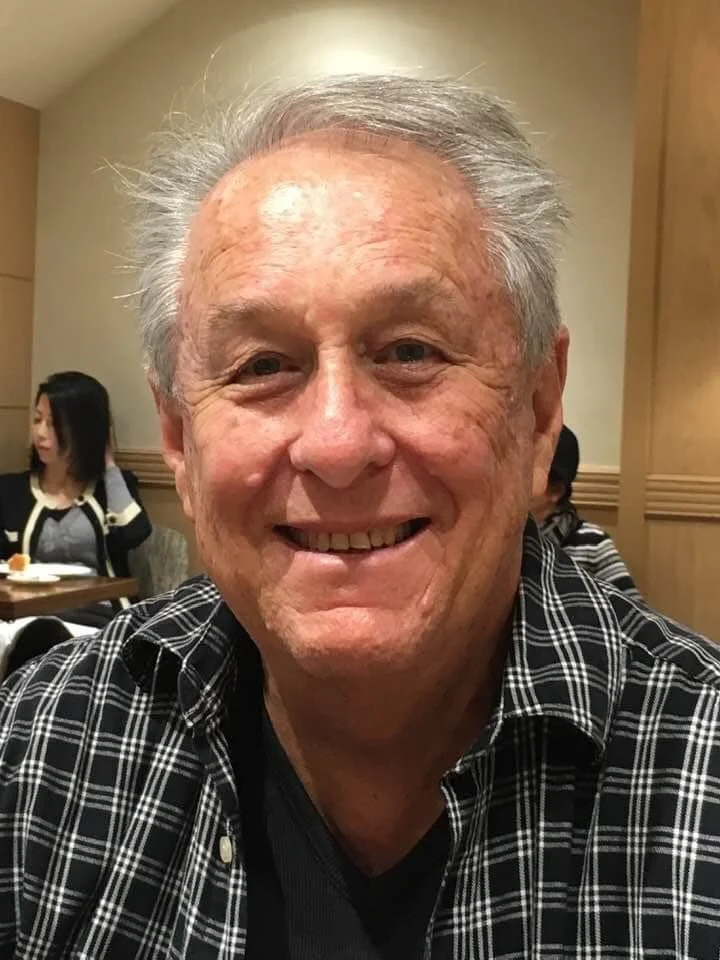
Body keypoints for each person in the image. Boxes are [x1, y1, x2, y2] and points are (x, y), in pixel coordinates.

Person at [1, 75, 719, 958]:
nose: (337, 444)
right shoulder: (48, 738)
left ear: (538, 409)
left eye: (412, 351)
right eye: (263, 365)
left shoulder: (700, 771)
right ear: (179, 443)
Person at [0, 371, 151, 652]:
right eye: (37, 420)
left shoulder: (112, 488)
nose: (41, 433)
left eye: (54, 424)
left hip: (97, 619)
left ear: (83, 430)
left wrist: (106, 462)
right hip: (25, 618)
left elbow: (135, 533)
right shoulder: (11, 491)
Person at [533, 424, 641, 598]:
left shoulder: (592, 542)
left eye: (528, 473)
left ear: (556, 490)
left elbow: (633, 615)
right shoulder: (501, 538)